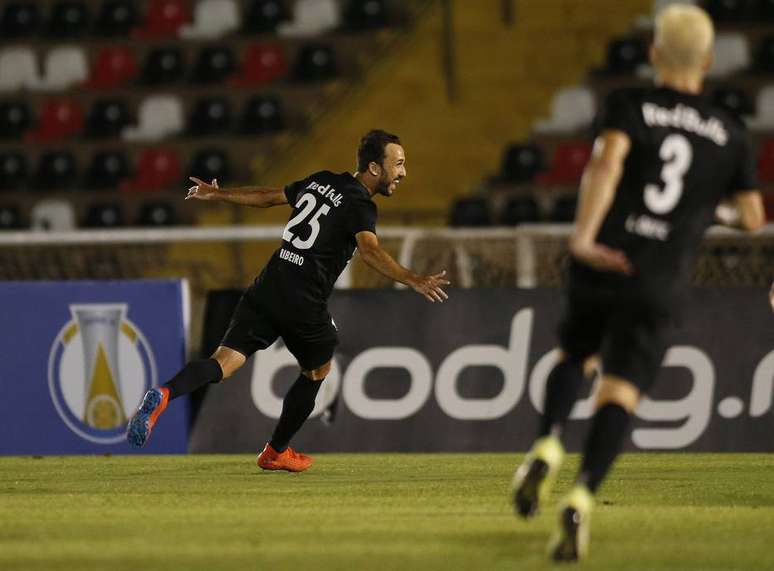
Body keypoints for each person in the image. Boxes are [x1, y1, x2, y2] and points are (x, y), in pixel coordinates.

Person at [510, 5, 765, 562]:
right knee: (620, 390)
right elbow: (752, 217)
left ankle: (548, 443)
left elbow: (606, 164)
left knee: (575, 355)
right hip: (659, 280)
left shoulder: (630, 104)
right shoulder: (729, 132)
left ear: (653, 53)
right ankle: (580, 497)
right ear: (706, 61)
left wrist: (583, 238)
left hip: (606, 259)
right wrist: (706, 210)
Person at [126, 130, 450, 472]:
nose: (403, 172)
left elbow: (268, 196)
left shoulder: (321, 180)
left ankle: (163, 394)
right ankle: (276, 451)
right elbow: (369, 251)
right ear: (373, 167)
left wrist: (219, 194)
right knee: (318, 369)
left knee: (222, 364)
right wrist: (414, 279)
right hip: (303, 301)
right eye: (397, 164)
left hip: (266, 287)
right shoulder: (360, 204)